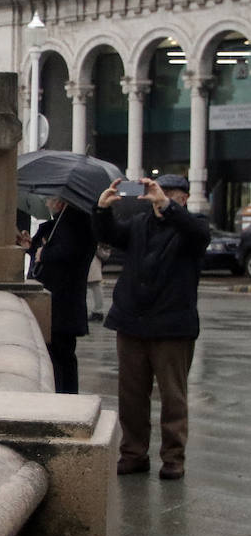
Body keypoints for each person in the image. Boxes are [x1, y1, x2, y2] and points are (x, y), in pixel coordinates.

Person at [95, 174, 210, 480]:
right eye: (157, 192)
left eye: (170, 194)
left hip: (173, 326)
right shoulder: (140, 224)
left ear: (183, 198)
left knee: (173, 396)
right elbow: (113, 237)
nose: (160, 197)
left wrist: (168, 207)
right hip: (131, 321)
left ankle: (173, 457)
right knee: (130, 395)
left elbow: (199, 234)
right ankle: (133, 453)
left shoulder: (191, 227)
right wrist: (103, 210)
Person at [25, 197, 98, 394]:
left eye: (50, 200)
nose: (47, 204)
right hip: (59, 300)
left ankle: (65, 396)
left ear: (61, 202)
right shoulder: (59, 223)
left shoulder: (75, 223)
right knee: (59, 354)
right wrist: (31, 247)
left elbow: (68, 252)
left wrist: (43, 254)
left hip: (63, 300)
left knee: (61, 354)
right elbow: (45, 248)